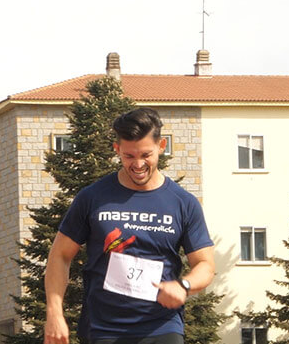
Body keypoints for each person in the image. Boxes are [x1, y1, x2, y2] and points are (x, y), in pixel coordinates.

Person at [44, 108, 217, 344]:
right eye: (128, 156)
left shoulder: (183, 203)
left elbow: (205, 265)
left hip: (161, 327)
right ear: (117, 150)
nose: (138, 164)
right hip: (103, 329)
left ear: (162, 146)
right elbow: (60, 256)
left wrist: (183, 286)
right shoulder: (93, 198)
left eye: (146, 155)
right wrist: (54, 313)